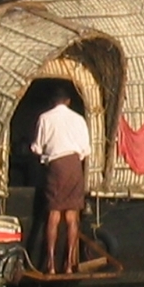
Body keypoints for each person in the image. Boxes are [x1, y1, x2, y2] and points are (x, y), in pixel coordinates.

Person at [31, 87, 90, 274]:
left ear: (52, 102)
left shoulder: (45, 118)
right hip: (74, 166)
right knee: (72, 216)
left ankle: (50, 265)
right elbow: (85, 149)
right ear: (68, 101)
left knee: (54, 215)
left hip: (55, 166)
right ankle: (69, 265)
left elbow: (37, 148)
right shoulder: (79, 119)